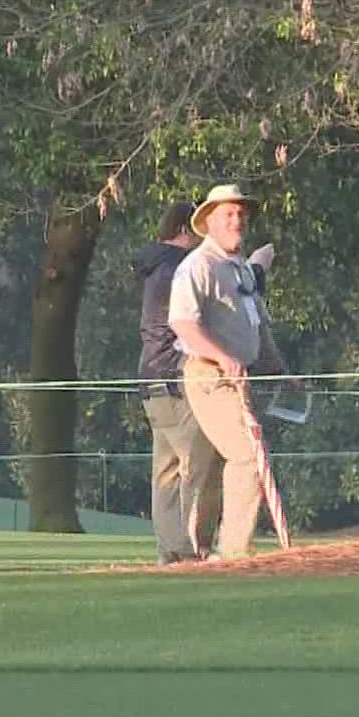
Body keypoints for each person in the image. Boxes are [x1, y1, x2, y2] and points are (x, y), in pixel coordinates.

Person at [167, 184, 294, 560]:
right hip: (209, 378)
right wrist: (223, 359)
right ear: (208, 222)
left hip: (241, 380)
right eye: (228, 214)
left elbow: (257, 326)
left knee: (208, 469)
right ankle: (235, 554)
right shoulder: (197, 266)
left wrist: (280, 371)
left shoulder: (240, 268)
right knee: (246, 457)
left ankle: (198, 551)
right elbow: (183, 324)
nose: (236, 220)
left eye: (240, 214)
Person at [134, 200, 219, 564]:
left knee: (166, 472)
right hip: (176, 379)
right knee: (197, 466)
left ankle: (169, 552)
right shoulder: (180, 270)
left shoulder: (157, 269)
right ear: (186, 230)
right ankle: (190, 550)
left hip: (151, 379)